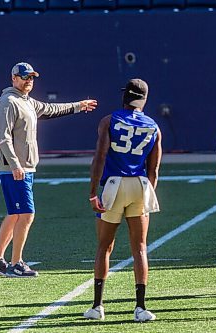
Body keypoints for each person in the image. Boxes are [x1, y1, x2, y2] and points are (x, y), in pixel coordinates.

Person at [0, 62, 98, 278]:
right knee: (27, 214)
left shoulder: (26, 101)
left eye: (32, 78)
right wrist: (16, 164)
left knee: (15, 214)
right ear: (14, 79)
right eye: (25, 77)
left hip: (24, 167)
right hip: (15, 169)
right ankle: (16, 263)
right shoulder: (8, 102)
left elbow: (50, 109)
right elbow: (3, 137)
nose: (29, 81)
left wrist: (78, 105)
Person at [83, 78, 162, 322]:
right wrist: (148, 193)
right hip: (139, 184)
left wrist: (93, 191)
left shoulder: (109, 120)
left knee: (104, 246)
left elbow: (100, 157)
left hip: (114, 185)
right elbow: (154, 169)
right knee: (139, 247)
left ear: (124, 96)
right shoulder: (154, 126)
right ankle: (140, 307)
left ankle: (97, 306)